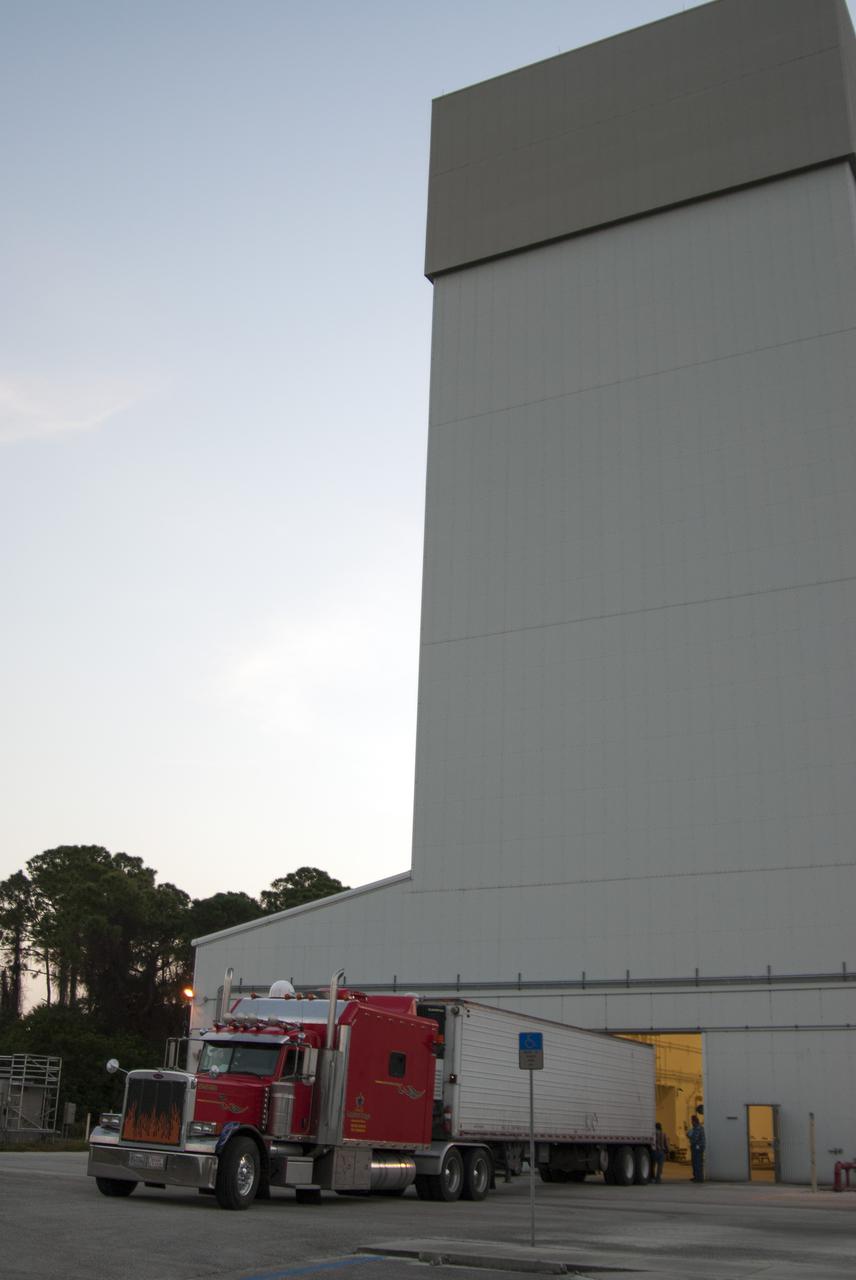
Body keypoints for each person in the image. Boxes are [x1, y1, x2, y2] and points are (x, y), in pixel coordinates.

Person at [687, 1114, 706, 1182]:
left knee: (698, 1162)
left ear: (695, 1121)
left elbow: (695, 1138)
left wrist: (689, 1135)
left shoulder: (698, 1128)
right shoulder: (695, 1128)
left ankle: (699, 1178)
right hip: (695, 1147)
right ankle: (696, 1176)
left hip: (698, 1147)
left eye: (692, 1121)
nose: (692, 1123)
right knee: (694, 1162)